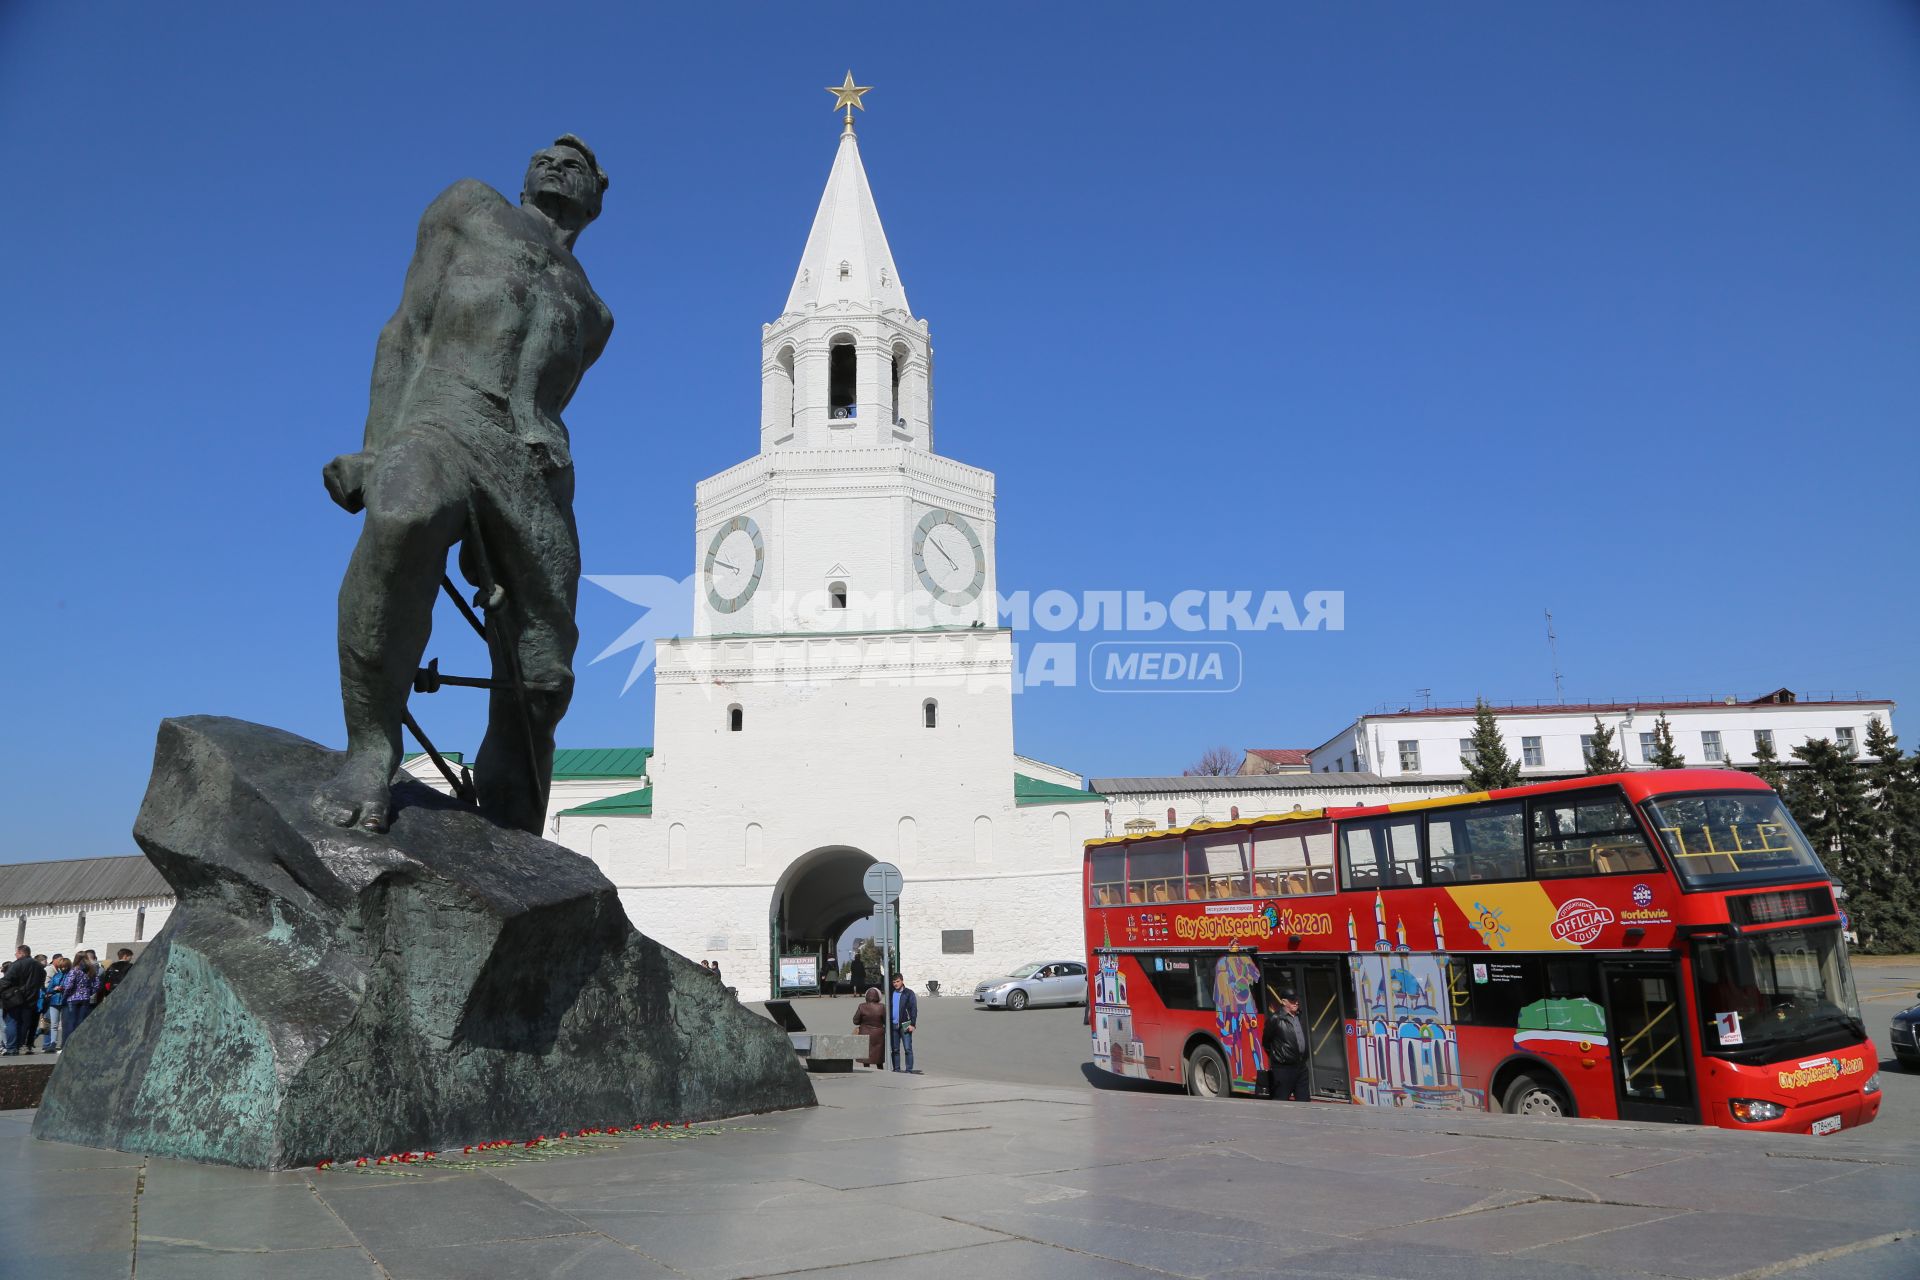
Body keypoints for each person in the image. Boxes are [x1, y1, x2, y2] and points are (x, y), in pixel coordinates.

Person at [313, 135, 614, 836]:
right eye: (544, 155)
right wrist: (374, 446)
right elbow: (407, 332)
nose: (555, 163)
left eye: (576, 162)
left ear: (599, 195)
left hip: (536, 465)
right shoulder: (468, 207)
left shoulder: (596, 315)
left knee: (544, 673)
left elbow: (545, 394)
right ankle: (371, 749)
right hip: (445, 412)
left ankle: (513, 821)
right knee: (404, 518)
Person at [1263, 990, 1308, 1101]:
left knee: (1305, 1104)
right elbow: (1266, 1042)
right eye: (1292, 1000)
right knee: (1281, 1103)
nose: (1296, 1003)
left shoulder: (1300, 1016)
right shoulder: (1276, 1019)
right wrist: (1278, 1057)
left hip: (1301, 1068)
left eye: (1297, 1000)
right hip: (1283, 1069)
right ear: (1283, 1002)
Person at [0, 946, 45, 1055]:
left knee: (11, 1022)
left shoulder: (17, 964)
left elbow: (7, 980)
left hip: (15, 998)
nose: (15, 955)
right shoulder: (39, 966)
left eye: (16, 953)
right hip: (32, 998)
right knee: (25, 1024)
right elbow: (42, 980)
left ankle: (12, 1047)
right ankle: (21, 1045)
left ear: (21, 953)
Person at [64, 953, 101, 1044]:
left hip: (73, 998)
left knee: (72, 1021)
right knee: (81, 1021)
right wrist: (90, 992)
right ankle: (80, 1042)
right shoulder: (91, 970)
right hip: (85, 998)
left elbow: (69, 985)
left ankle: (70, 1043)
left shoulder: (74, 971)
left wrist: (66, 995)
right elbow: (97, 984)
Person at [888, 974, 920, 1074]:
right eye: (894, 982)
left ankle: (909, 1070)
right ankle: (896, 1069)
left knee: (907, 1048)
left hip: (906, 1024)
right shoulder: (891, 993)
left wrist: (913, 1024)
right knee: (895, 1049)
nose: (895, 984)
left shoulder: (909, 993)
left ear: (902, 981)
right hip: (893, 1024)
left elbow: (913, 1009)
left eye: (897, 981)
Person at [39, 956, 69, 1052]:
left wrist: (63, 988)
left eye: (65, 966)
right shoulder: (56, 976)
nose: (63, 968)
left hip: (65, 1001)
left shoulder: (70, 975)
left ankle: (65, 1042)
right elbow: (48, 989)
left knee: (65, 1024)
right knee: (53, 1024)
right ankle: (53, 1043)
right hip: (54, 1000)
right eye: (61, 967)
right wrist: (54, 989)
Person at [853, 986, 888, 1068]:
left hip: (864, 1032)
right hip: (878, 1034)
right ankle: (880, 1069)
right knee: (878, 1055)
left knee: (866, 1056)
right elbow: (886, 1020)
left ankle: (867, 1069)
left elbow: (855, 1021)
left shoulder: (862, 1006)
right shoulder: (881, 1007)